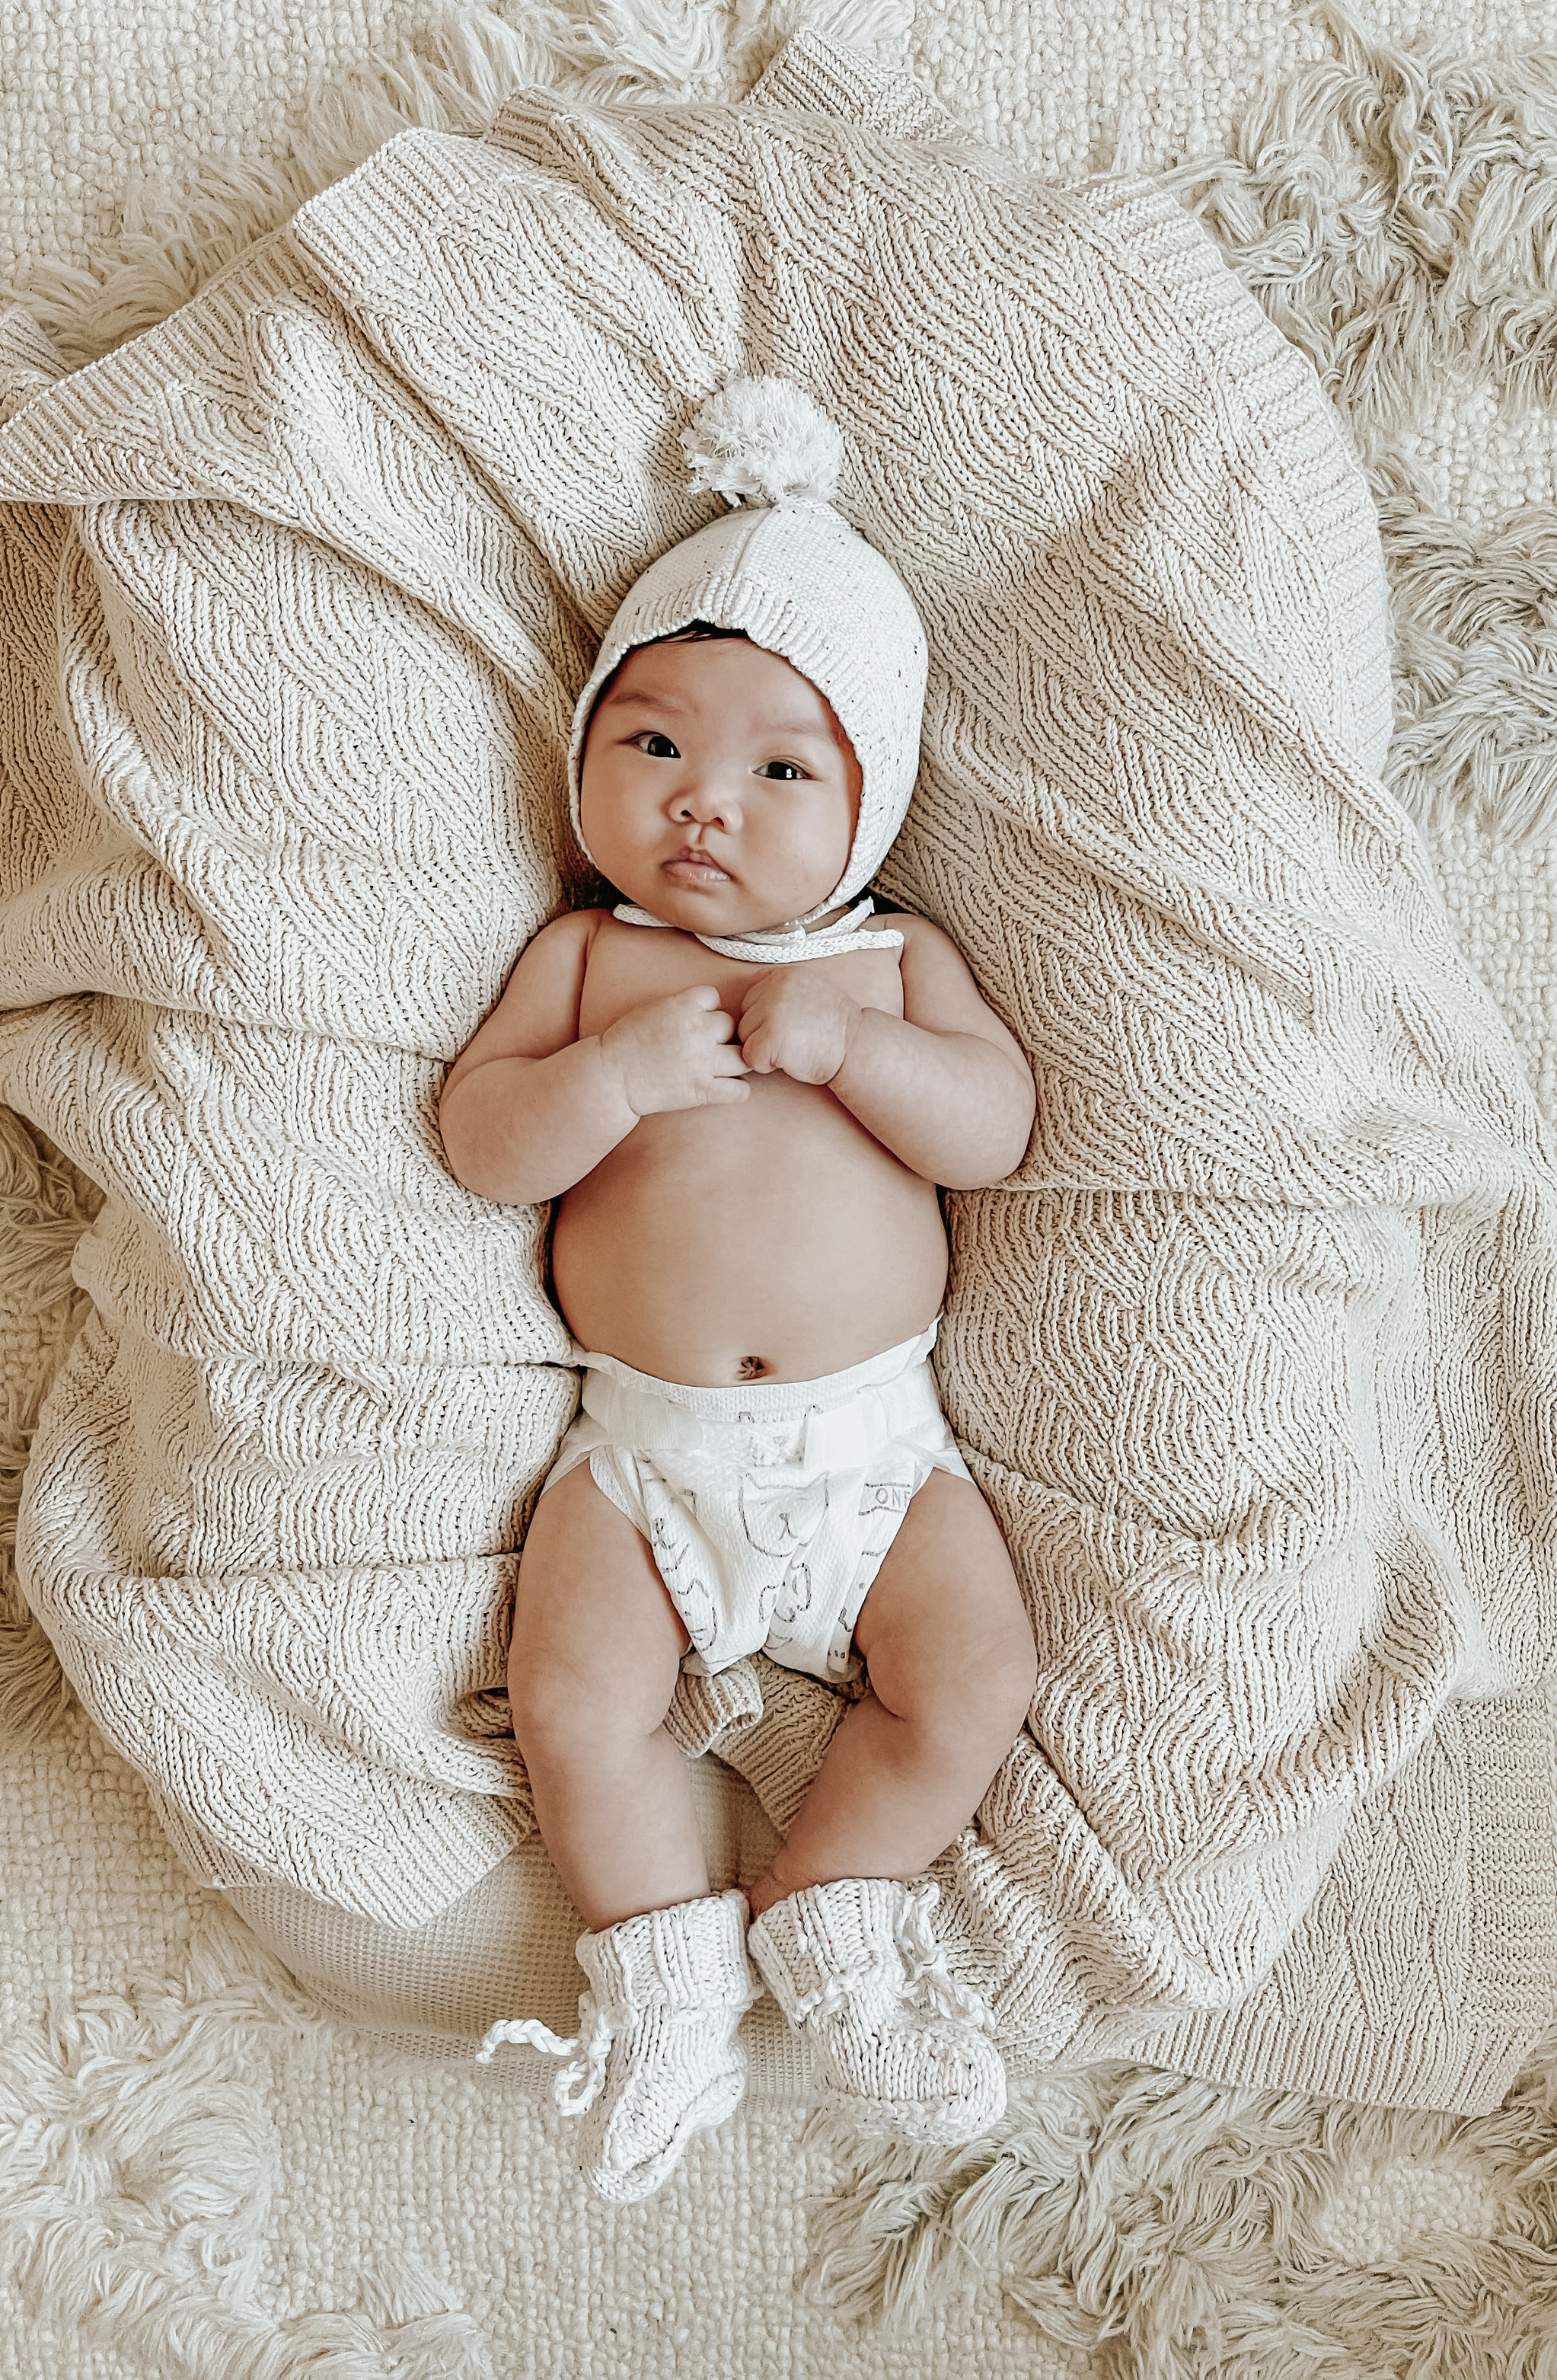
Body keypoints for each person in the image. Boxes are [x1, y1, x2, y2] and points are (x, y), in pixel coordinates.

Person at [439, 378, 1039, 2202]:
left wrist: (857, 1047)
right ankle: (666, 1974)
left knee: (971, 1677)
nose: (705, 805)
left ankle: (834, 1919)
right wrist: (606, 1082)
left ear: (873, 799)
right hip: (642, 1456)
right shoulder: (584, 958)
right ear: (585, 761)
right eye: (654, 746)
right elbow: (481, 1142)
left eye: (782, 767)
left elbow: (995, 1128)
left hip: (875, 1449)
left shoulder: (894, 958)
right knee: (573, 1697)